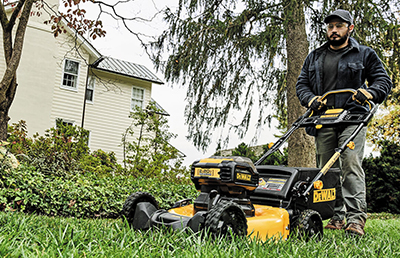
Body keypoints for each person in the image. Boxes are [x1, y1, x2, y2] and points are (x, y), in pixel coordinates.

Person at [296, 9, 392, 236]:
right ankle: (336, 216)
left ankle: (355, 218)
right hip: (324, 118)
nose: (334, 30)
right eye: (330, 27)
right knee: (327, 170)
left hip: (353, 117)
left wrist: (368, 93)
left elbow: (382, 80)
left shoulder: (365, 54)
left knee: (350, 164)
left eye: (339, 26)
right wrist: (311, 100)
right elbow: (302, 84)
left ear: (350, 28)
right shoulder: (315, 56)